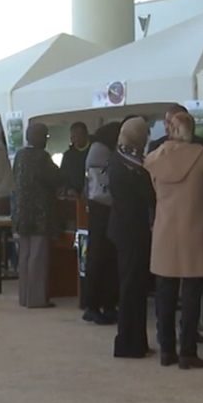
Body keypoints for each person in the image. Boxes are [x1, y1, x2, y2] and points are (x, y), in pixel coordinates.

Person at [144, 112, 203, 369]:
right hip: (194, 230)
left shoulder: (154, 159)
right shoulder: (202, 156)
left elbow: (154, 191)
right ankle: (188, 351)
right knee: (192, 294)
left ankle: (167, 350)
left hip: (164, 232)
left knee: (164, 295)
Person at [107, 117, 155, 359]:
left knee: (134, 287)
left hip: (124, 230)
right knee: (131, 287)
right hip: (131, 232)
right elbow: (146, 195)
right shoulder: (130, 165)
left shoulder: (122, 158)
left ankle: (137, 339)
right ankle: (128, 342)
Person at [11, 123, 62, 308]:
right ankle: (37, 299)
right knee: (38, 257)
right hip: (39, 214)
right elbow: (56, 178)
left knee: (24, 255)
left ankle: (24, 297)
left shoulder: (20, 155)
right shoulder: (42, 157)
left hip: (22, 213)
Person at [82, 122, 121, 325]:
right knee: (99, 259)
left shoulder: (101, 149)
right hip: (101, 212)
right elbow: (98, 188)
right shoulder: (99, 151)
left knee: (106, 260)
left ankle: (106, 303)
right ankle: (93, 305)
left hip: (104, 212)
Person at [60, 122, 91, 195]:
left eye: (79, 136)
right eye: (73, 136)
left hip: (92, 194)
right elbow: (63, 177)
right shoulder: (68, 155)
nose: (76, 139)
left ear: (86, 135)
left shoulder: (95, 151)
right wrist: (68, 188)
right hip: (73, 195)